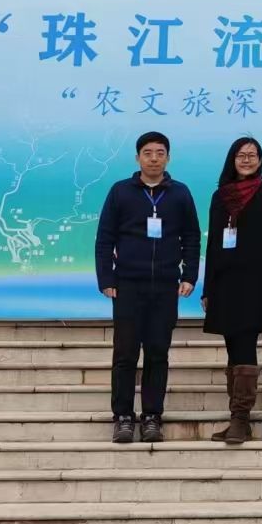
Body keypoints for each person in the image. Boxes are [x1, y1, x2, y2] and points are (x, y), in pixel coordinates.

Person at [94, 131, 201, 444]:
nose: (154, 158)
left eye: (160, 153)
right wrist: (106, 279)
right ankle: (123, 417)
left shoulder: (180, 193)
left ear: (168, 157)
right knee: (125, 354)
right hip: (127, 285)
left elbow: (192, 237)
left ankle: (152, 416)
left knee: (157, 353)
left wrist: (189, 275)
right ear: (138, 157)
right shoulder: (121, 191)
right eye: (148, 153)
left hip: (165, 287)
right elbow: (105, 238)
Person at [200, 136, 262, 445]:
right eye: (241, 155)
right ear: (232, 160)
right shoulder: (220, 195)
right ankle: (238, 419)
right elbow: (213, 244)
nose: (247, 160)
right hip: (225, 284)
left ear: (261, 161)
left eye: (252, 155)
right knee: (232, 349)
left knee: (246, 345)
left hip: (257, 283)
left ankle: (240, 418)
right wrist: (208, 288)